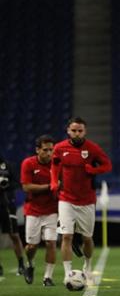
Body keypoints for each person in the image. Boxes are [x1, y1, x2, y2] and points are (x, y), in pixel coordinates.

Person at [51, 117, 112, 287]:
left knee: (87, 238)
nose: (77, 133)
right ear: (68, 131)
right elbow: (54, 165)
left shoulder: (93, 148)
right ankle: (67, 273)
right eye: (74, 130)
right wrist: (54, 181)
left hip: (87, 200)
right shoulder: (60, 148)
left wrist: (94, 169)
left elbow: (107, 165)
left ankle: (88, 267)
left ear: (85, 131)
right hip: (66, 199)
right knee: (66, 236)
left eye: (80, 131)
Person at [19, 136, 58, 285]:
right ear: (37, 150)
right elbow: (26, 187)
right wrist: (49, 186)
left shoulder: (57, 163)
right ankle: (30, 264)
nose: (49, 153)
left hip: (52, 210)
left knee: (51, 243)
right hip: (33, 210)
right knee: (32, 246)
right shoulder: (28, 163)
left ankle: (48, 277)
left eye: (51, 150)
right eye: (45, 150)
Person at [0, 154, 25, 279]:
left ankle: (21, 264)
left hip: (7, 203)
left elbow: (17, 183)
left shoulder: (6, 165)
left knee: (14, 235)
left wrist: (6, 184)